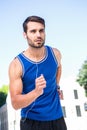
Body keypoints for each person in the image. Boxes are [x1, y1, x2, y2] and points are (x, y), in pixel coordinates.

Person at [8, 15, 67, 130]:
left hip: (57, 119)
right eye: (33, 31)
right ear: (25, 35)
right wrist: (36, 92)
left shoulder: (55, 54)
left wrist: (57, 85)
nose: (38, 35)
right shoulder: (17, 65)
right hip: (32, 122)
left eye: (41, 30)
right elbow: (15, 103)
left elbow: (58, 67)